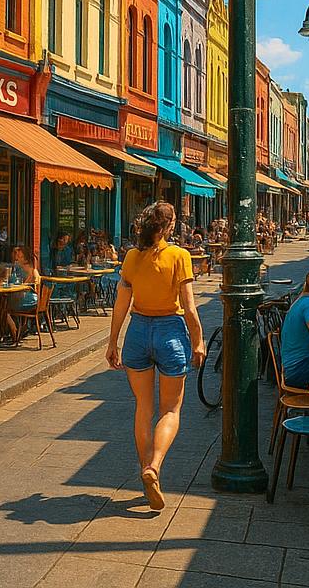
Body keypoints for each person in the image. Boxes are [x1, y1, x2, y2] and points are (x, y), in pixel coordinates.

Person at [106, 201, 205, 511]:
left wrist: (113, 342)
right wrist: (199, 341)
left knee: (143, 408)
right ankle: (154, 467)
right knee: (171, 410)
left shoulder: (132, 258)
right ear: (168, 228)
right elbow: (189, 307)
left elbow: (121, 304)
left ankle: (144, 471)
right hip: (170, 332)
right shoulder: (179, 256)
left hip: (137, 332)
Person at [5, 246, 39, 341]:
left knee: (4, 306)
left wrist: (27, 284)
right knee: (4, 304)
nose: (17, 257)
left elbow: (35, 281)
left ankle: (13, 328)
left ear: (25, 257)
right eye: (16, 255)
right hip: (20, 295)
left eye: (20, 256)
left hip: (28, 298)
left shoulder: (30, 268)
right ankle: (14, 328)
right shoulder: (16, 267)